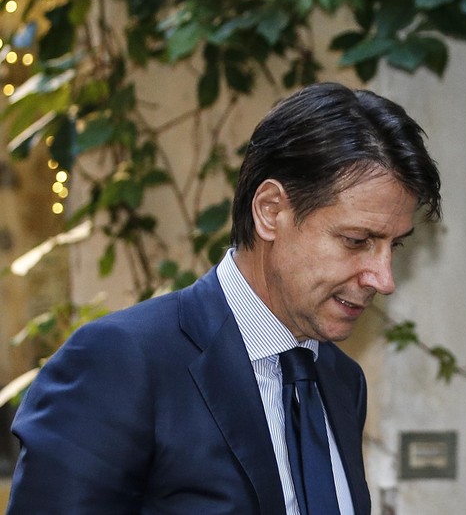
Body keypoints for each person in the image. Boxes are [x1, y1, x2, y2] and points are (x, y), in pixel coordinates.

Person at [6, 82, 442, 514]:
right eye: (357, 240)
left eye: (394, 246)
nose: (383, 279)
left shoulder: (341, 380)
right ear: (271, 211)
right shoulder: (120, 363)